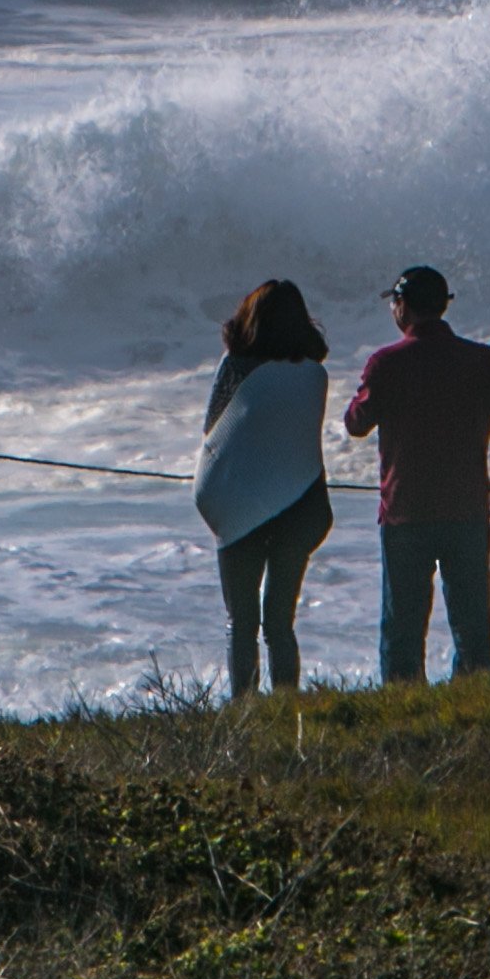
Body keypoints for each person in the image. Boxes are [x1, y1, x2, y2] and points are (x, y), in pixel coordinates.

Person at [340, 263, 490, 683]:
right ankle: (476, 703)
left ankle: (404, 708)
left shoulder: (386, 362)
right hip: (467, 505)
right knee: (473, 625)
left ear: (402, 306)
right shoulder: (480, 358)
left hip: (407, 507)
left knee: (402, 626)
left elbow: (355, 423)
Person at [195, 278, 333, 699]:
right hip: (300, 504)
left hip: (241, 504)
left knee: (242, 623)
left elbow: (214, 430)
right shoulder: (315, 376)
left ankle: (245, 711)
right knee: (279, 623)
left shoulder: (235, 367)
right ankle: (287, 705)